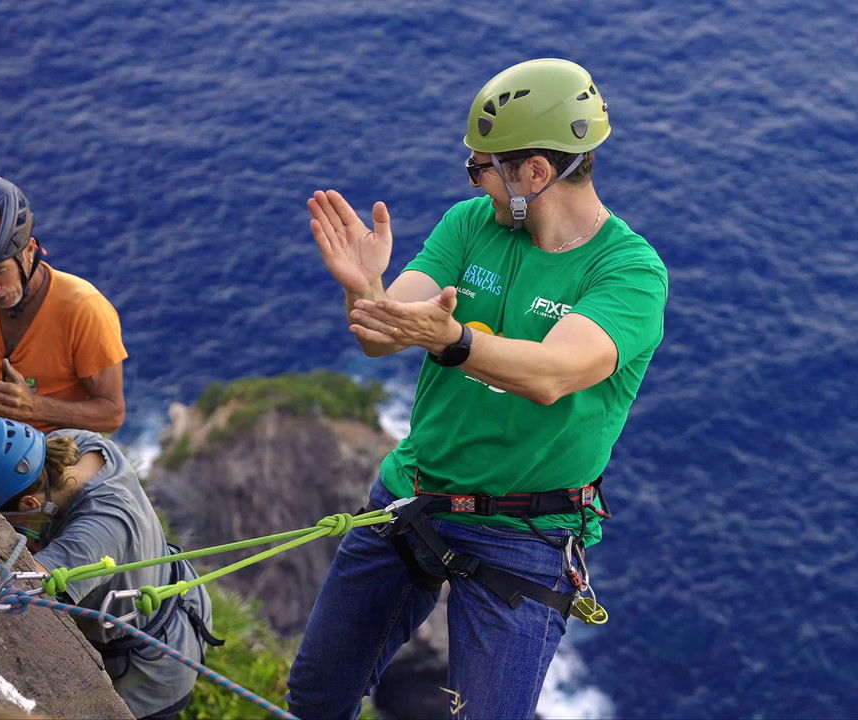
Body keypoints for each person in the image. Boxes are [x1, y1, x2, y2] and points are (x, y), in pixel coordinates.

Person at [287, 58, 669, 719]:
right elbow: (384, 335)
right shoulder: (470, 224)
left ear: (536, 173)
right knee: (317, 695)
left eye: (481, 166)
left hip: (524, 527)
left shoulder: (629, 274)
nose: (473, 179)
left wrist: (450, 339)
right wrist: (365, 289)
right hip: (417, 488)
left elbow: (551, 375)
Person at [0, 416, 221, 719]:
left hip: (153, 667)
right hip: (169, 591)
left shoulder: (99, 531)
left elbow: (24, 588)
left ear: (28, 504)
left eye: (6, 517)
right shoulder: (72, 444)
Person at [0, 175, 127, 442]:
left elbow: (112, 413)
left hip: (66, 453)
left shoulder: (83, 307)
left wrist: (34, 406)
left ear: (29, 250)